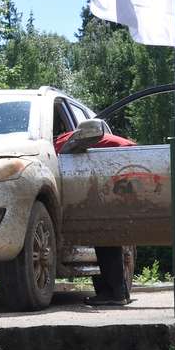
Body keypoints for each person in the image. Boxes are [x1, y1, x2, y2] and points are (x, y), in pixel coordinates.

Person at [54, 125, 136, 306]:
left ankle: (115, 293)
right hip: (127, 164)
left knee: (105, 234)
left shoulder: (57, 145)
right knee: (107, 235)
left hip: (123, 165)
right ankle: (116, 292)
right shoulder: (69, 138)